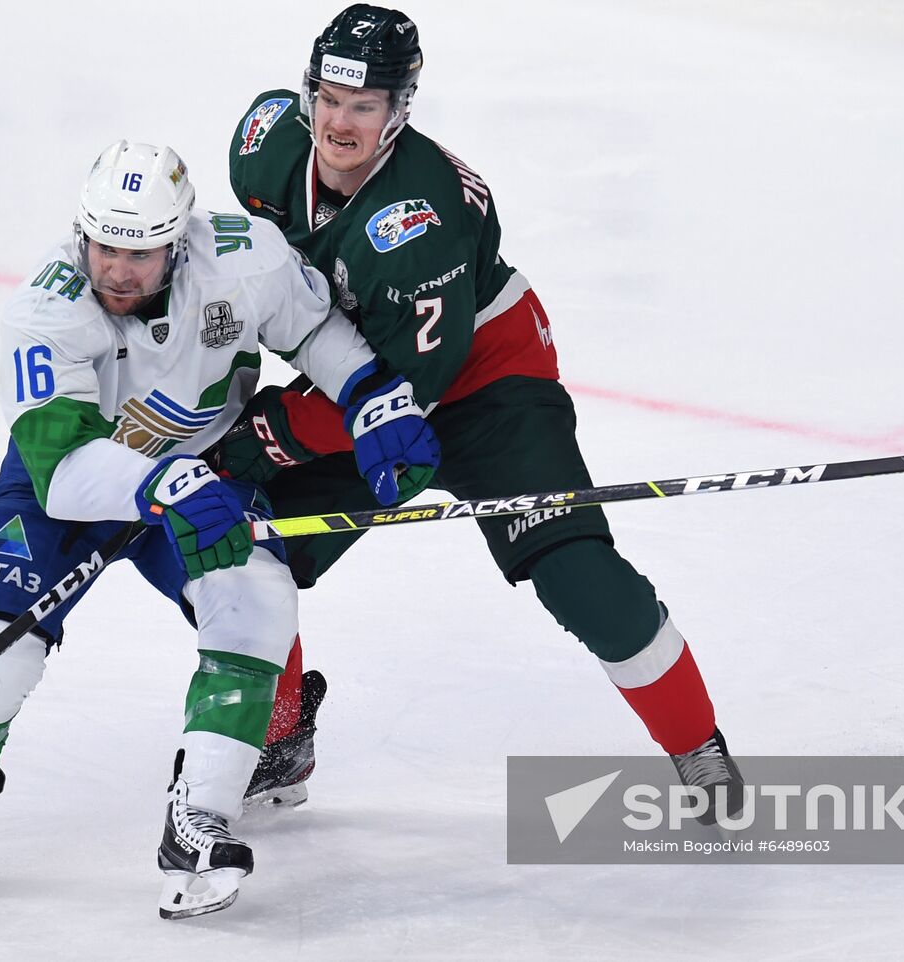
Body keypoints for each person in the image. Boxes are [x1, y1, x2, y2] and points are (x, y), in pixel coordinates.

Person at [0, 140, 439, 919]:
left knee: (260, 600)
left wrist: (371, 397)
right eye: (105, 246)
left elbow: (313, 331)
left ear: (179, 241)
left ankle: (198, 819)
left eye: (140, 253)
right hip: (68, 481)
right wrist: (156, 483)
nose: (117, 270)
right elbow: (63, 471)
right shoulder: (44, 312)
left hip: (202, 472)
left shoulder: (245, 259)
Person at [218, 4, 745, 821]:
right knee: (241, 539)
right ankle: (281, 737)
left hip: (486, 387)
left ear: (400, 110)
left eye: (364, 106)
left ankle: (697, 745)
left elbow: (408, 392)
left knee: (576, 574)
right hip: (360, 379)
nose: (339, 123)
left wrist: (278, 431)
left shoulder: (421, 214)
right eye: (328, 98)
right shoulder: (264, 143)